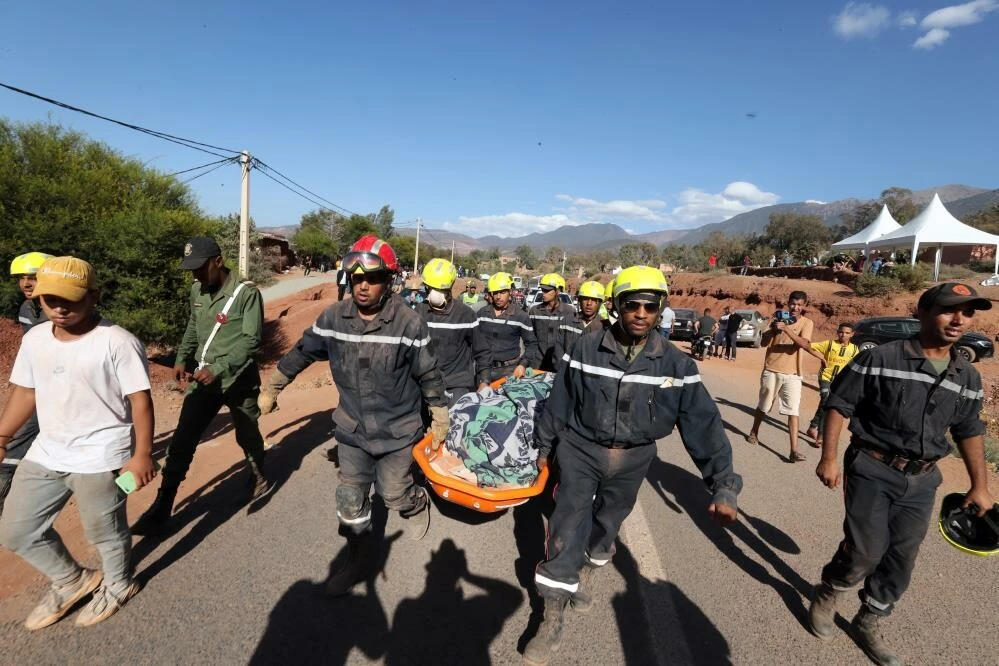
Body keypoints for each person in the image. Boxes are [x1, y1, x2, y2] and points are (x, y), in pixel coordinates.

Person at [524, 266, 741, 665]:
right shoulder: (585, 349)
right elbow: (560, 401)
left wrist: (723, 484)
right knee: (567, 523)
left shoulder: (675, 366)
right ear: (616, 306)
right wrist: (543, 447)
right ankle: (552, 613)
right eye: (632, 304)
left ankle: (590, 566)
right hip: (581, 449)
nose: (641, 312)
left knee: (608, 523)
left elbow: (703, 425)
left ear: (661, 309)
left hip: (633, 457)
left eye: (651, 305)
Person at [808, 283, 995, 666]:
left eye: (968, 312)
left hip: (923, 480)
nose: (960, 319)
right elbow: (839, 404)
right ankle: (831, 588)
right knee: (866, 549)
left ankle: (870, 619)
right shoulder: (881, 358)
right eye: (949, 310)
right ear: (923, 312)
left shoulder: (967, 376)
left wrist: (980, 485)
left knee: (902, 557)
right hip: (872, 467)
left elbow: (969, 429)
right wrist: (829, 457)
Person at [257, 235, 448, 595]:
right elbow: (303, 351)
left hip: (397, 431)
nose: (363, 285)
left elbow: (428, 372)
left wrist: (439, 415)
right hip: (353, 429)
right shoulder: (334, 318)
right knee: (350, 499)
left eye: (372, 279)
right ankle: (359, 559)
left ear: (388, 280)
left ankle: (416, 500)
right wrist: (273, 386)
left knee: (393, 495)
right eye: (356, 278)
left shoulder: (408, 324)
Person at [0, 257, 155, 628]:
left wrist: (142, 455)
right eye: (49, 299)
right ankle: (72, 580)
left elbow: (140, 400)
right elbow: (24, 392)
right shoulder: (35, 338)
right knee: (16, 531)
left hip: (101, 455)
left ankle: (119, 584)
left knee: (104, 531)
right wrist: (2, 436)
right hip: (47, 450)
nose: (59, 307)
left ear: (94, 296)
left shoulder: (117, 342)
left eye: (70, 298)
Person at [131, 236, 272, 535]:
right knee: (182, 440)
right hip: (203, 382)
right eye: (190, 269)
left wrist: (220, 368)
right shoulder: (197, 289)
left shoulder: (246, 294)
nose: (194, 275)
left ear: (217, 262)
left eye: (200, 267)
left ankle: (258, 474)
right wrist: (182, 357)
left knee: (247, 433)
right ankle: (163, 504)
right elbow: (193, 327)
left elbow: (251, 340)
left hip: (238, 380)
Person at [1, 252, 53, 514]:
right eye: (22, 278)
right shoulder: (25, 310)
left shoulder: (62, 311)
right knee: (15, 441)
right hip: (37, 390)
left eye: (33, 277)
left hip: (64, 392)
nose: (26, 283)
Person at [746, 291, 814, 462]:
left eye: (799, 305)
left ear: (804, 306)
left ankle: (794, 450)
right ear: (788, 303)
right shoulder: (777, 318)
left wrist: (787, 330)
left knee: (793, 410)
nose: (795, 308)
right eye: (793, 304)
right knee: (764, 405)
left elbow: (805, 344)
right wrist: (773, 331)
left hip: (793, 373)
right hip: (772, 369)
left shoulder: (807, 323)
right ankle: (754, 431)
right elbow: (762, 343)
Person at [416, 258, 490, 406]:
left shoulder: (466, 315)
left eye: (436, 289)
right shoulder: (419, 312)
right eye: (428, 288)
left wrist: (484, 381)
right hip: (424, 383)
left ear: (448, 288)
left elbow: (482, 351)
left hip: (456, 384)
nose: (431, 292)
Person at [477, 273, 540, 381]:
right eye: (495, 292)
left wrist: (523, 364)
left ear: (510, 292)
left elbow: (532, 344)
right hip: (483, 370)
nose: (498, 296)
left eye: (502, 292)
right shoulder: (482, 314)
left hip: (509, 371)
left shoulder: (521, 316)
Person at [804, 323, 858, 448]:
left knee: (824, 404)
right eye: (841, 332)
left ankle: (812, 427)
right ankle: (820, 436)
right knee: (827, 403)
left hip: (839, 382)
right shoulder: (829, 344)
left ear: (852, 334)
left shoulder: (855, 350)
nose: (843, 335)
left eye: (847, 333)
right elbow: (808, 346)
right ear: (837, 332)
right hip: (825, 378)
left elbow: (854, 366)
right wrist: (821, 358)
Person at [529, 273, 577, 371]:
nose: (543, 293)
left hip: (559, 366)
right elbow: (530, 339)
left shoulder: (569, 312)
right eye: (542, 290)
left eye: (547, 290)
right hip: (537, 364)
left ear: (557, 291)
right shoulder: (534, 311)